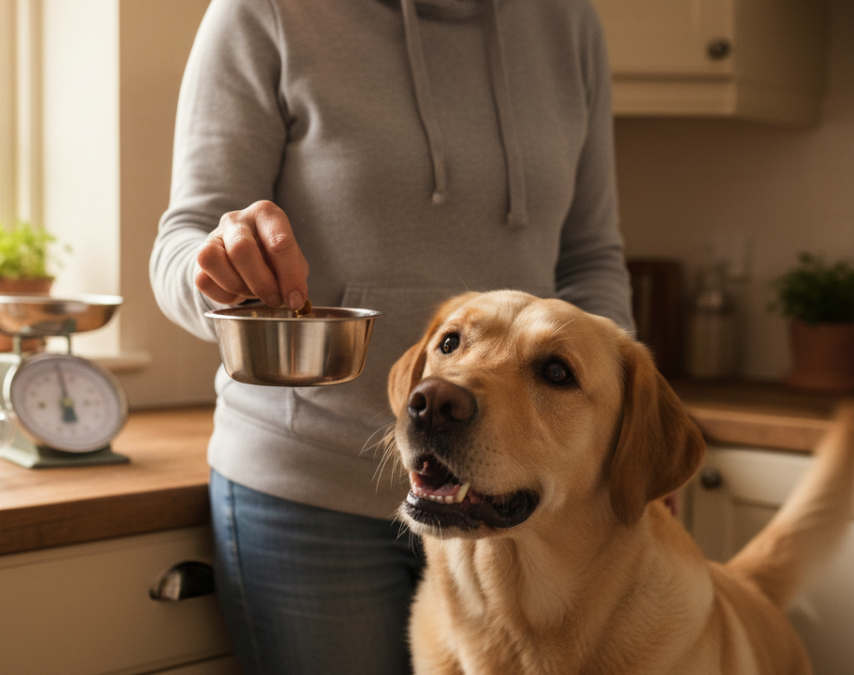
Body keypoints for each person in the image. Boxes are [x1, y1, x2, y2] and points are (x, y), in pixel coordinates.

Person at [150, 0, 635, 672]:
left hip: (510, 508)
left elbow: (590, 262)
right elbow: (181, 242)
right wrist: (222, 270)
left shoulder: (567, 23)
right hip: (310, 491)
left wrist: (626, 432)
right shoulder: (262, 12)